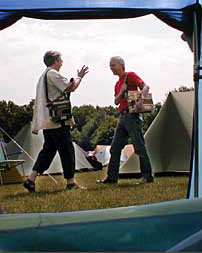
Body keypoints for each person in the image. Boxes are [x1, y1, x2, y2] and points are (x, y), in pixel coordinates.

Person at [23, 50, 89, 194]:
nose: (62, 62)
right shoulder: (52, 74)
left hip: (48, 121)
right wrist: (79, 77)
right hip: (57, 120)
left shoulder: (43, 76)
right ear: (55, 61)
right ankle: (71, 182)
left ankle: (31, 179)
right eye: (60, 60)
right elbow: (71, 87)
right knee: (66, 149)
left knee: (48, 150)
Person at [97, 56, 153, 185]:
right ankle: (111, 178)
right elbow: (116, 101)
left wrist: (140, 100)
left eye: (113, 65)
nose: (111, 68)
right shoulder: (118, 84)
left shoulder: (131, 75)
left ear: (121, 65)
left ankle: (147, 176)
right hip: (122, 117)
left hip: (133, 117)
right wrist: (122, 91)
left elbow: (146, 87)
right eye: (110, 65)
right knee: (115, 148)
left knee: (139, 147)